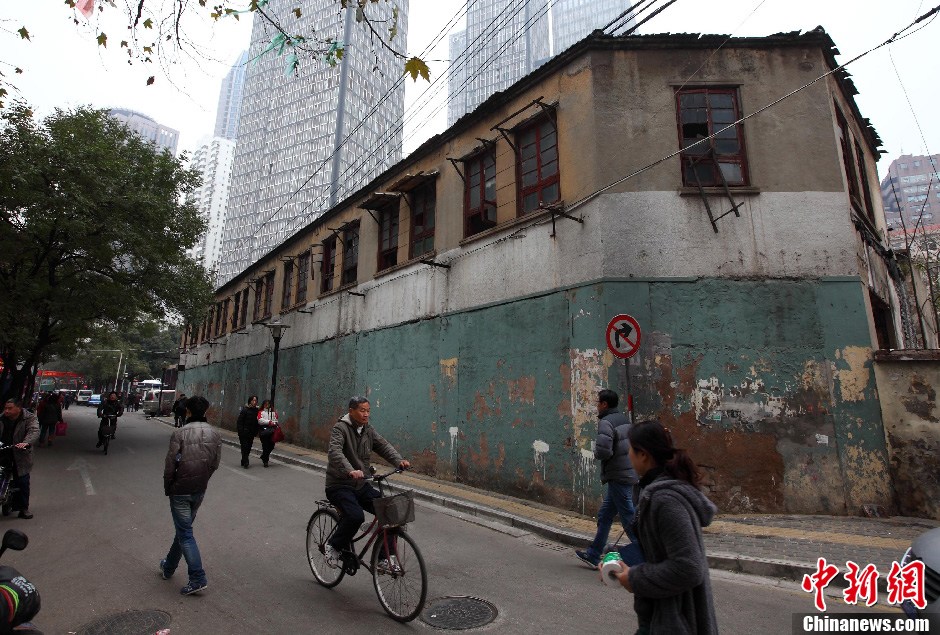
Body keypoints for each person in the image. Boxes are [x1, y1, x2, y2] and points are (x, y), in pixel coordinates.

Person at [612, 420, 718, 635]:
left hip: (676, 623)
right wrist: (616, 559)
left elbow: (689, 568)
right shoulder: (654, 491)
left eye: (631, 449)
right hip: (659, 616)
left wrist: (635, 578)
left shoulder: (665, 500)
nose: (628, 455)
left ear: (643, 455)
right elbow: (657, 551)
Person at [323, 396, 410, 568]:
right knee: (355, 516)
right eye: (362, 410)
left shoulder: (367, 429)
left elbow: (383, 445)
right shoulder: (340, 428)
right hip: (339, 485)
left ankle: (383, 558)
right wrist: (350, 470)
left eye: (368, 411)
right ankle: (333, 546)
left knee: (391, 511)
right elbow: (335, 452)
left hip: (361, 484)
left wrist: (399, 461)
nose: (366, 414)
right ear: (351, 411)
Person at [160, 395, 222, 596]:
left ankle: (197, 577)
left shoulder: (180, 433)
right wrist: (203, 479)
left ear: (187, 411)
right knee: (183, 530)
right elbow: (214, 463)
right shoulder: (215, 434)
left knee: (185, 533)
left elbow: (170, 465)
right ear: (205, 411)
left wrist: (169, 486)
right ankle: (168, 566)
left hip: (180, 489)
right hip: (199, 489)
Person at [575, 389, 638, 567]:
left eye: (598, 403)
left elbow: (604, 451)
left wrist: (596, 452)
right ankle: (594, 554)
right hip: (627, 472)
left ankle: (646, 553)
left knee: (628, 517)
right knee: (605, 515)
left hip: (618, 475)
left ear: (604, 404)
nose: (597, 406)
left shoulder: (606, 422)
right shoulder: (624, 419)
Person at [0, 398, 40, 519]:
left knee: (22, 481)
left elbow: (34, 431)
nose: (6, 411)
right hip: (3, 450)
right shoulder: (1, 418)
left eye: (10, 408)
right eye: (5, 408)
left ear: (18, 408)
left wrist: (26, 443)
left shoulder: (29, 418)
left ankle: (23, 509)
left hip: (20, 453)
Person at [235, 395, 259, 468]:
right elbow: (239, 421)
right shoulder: (245, 410)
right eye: (253, 400)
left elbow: (257, 422)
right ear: (250, 401)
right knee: (244, 446)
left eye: (255, 400)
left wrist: (256, 431)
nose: (254, 402)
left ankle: (244, 459)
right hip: (244, 432)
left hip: (251, 433)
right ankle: (246, 461)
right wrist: (240, 431)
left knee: (248, 447)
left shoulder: (256, 411)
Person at [256, 399, 278, 468]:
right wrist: (269, 422)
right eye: (265, 404)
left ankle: (264, 456)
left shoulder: (273, 413)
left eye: (268, 404)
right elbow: (260, 420)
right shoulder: (261, 412)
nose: (267, 405)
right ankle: (266, 461)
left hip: (271, 431)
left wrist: (274, 423)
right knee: (265, 446)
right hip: (263, 431)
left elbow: (276, 420)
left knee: (272, 445)